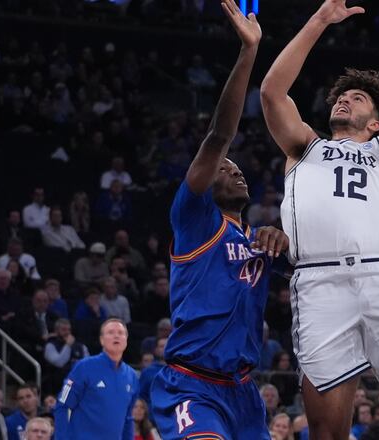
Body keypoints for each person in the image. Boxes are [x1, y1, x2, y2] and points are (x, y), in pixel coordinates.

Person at [261, 0, 379, 437]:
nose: (345, 99)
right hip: (318, 285)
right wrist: (320, 20)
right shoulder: (303, 146)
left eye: (357, 97)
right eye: (342, 96)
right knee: (328, 433)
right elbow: (272, 91)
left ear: (377, 124)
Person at [150, 4, 287, 439]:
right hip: (192, 384)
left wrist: (282, 239)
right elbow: (218, 135)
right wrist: (249, 51)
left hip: (244, 391)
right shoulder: (194, 219)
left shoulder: (257, 238)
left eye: (238, 168)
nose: (236, 170)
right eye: (224, 170)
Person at [53, 319, 138, 439]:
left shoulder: (132, 376)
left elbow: (128, 419)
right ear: (102, 340)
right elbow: (62, 405)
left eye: (120, 332)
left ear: (126, 340)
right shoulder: (84, 367)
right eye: (111, 332)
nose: (116, 336)